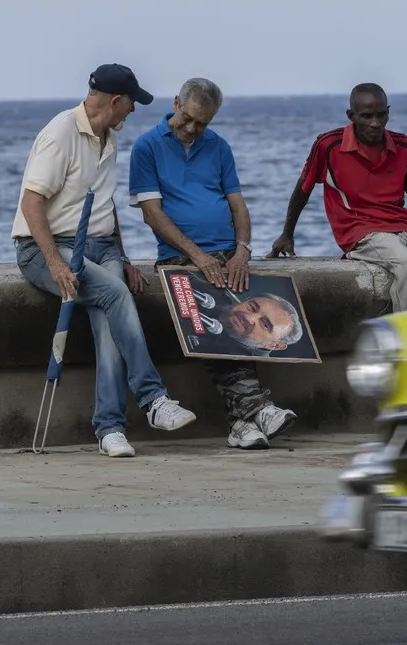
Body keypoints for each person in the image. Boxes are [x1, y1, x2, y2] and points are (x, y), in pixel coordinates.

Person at [11, 63, 198, 459]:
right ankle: (153, 398)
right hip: (46, 248)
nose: (134, 109)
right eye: (132, 102)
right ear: (115, 101)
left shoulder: (108, 137)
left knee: (108, 320)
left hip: (100, 246)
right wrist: (56, 264)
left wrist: (123, 256)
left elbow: (104, 204)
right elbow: (31, 203)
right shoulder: (60, 133)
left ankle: (110, 429)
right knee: (114, 295)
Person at [128, 77, 297, 450]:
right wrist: (199, 256)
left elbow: (237, 205)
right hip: (180, 257)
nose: (192, 128)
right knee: (219, 321)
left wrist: (242, 250)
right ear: (176, 103)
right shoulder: (147, 147)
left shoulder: (218, 146)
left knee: (245, 324)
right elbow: (152, 214)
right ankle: (258, 409)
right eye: (187, 118)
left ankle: (242, 424)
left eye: (201, 123)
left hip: (226, 252)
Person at [269, 83, 407, 313]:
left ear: (388, 112)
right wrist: (287, 234)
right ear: (351, 116)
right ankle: (405, 334)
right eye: (366, 116)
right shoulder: (329, 145)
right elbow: (302, 191)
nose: (375, 123)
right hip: (362, 234)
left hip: (406, 230)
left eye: (381, 115)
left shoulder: (405, 146)